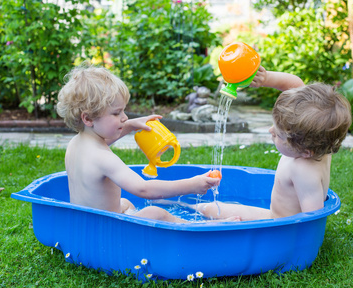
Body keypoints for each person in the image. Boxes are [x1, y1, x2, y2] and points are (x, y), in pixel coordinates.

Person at [56, 63, 238, 223]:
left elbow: (106, 138)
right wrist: (193, 184)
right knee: (154, 212)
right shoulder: (103, 158)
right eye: (116, 113)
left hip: (83, 226)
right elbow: (144, 189)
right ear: (88, 118)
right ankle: (204, 227)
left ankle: (133, 218)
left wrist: (131, 125)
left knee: (124, 203)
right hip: (106, 233)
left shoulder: (77, 144)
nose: (124, 117)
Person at [195, 66, 352, 221]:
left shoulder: (304, 170)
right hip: (274, 216)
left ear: (305, 152)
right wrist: (265, 78)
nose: (271, 131)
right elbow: (295, 84)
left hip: (280, 228)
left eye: (279, 134)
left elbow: (312, 219)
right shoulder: (319, 141)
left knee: (210, 211)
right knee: (210, 208)